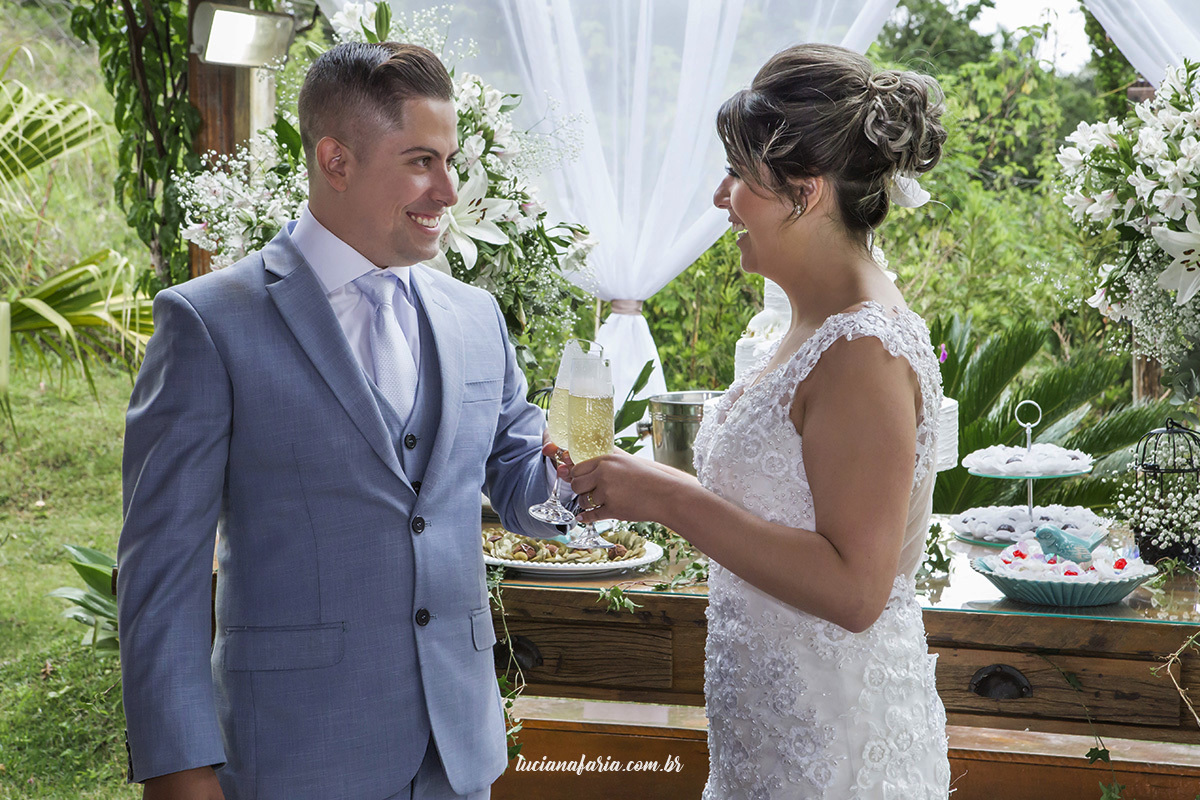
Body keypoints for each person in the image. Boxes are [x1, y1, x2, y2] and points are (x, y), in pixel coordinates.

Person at [117, 41, 563, 800]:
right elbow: (161, 575)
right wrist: (177, 774)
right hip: (296, 755)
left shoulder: (475, 316)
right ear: (336, 161)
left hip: (458, 759)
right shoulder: (209, 322)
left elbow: (526, 486)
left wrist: (589, 483)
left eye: (451, 161)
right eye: (421, 161)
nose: (449, 190)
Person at [556, 44, 952, 798]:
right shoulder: (802, 324)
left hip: (834, 754)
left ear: (805, 192)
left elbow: (856, 591)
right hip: (770, 739)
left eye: (737, 173)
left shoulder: (863, 349)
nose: (720, 197)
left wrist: (667, 498)